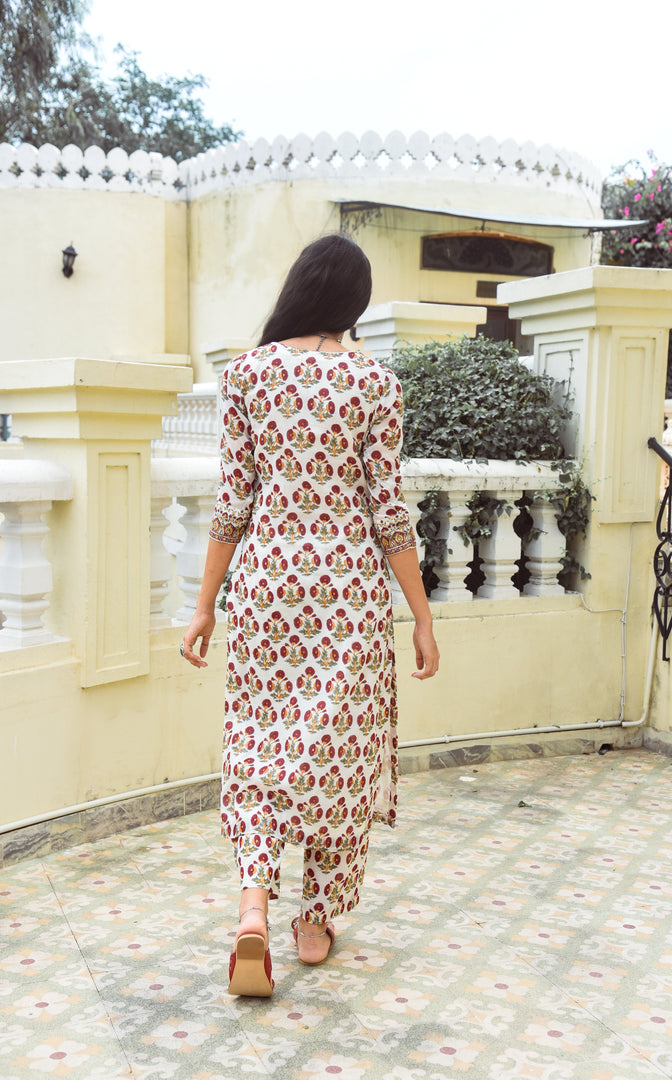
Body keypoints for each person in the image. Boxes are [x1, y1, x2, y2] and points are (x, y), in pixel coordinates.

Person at [181, 233, 439, 997]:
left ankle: (252, 908)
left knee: (258, 742)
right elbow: (388, 513)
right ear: (354, 300)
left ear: (298, 287)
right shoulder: (374, 384)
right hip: (347, 593)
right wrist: (422, 617)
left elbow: (232, 504)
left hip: (267, 588)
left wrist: (204, 606)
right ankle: (316, 919)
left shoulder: (247, 375)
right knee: (338, 751)